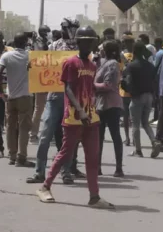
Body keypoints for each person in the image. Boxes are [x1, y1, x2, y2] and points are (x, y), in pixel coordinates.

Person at [36, 26, 113, 209]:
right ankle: (45, 187)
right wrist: (80, 110)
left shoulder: (93, 65)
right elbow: (68, 89)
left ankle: (94, 196)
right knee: (65, 153)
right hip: (74, 116)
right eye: (85, 41)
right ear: (78, 42)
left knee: (92, 157)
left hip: (91, 117)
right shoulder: (70, 63)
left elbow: (89, 88)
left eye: (91, 41)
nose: (88, 44)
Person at [27, 18, 84, 185]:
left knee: (68, 139)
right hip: (54, 96)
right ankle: (39, 172)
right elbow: (42, 63)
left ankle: (66, 172)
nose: (71, 31)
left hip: (73, 98)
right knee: (45, 136)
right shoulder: (54, 46)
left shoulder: (81, 48)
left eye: (74, 28)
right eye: (68, 28)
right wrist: (33, 65)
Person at [0, 33, 34, 167]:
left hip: (10, 96)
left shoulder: (6, 56)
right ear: (25, 42)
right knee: (24, 127)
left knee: (10, 127)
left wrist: (1, 92)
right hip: (25, 96)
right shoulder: (29, 55)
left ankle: (12, 156)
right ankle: (21, 157)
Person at [122, 41, 160, 158]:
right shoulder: (150, 66)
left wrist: (124, 85)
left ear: (134, 52)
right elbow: (155, 81)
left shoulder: (131, 66)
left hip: (137, 97)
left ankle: (138, 150)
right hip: (149, 96)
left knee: (135, 124)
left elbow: (128, 82)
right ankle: (154, 141)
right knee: (145, 122)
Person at [95, 40, 125, 177]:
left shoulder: (113, 64)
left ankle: (119, 167)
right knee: (98, 137)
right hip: (100, 104)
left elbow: (108, 85)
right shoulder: (102, 62)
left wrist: (92, 85)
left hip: (111, 104)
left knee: (115, 136)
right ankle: (97, 167)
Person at [30, 25, 53, 142]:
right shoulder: (39, 43)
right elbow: (41, 56)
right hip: (41, 78)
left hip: (49, 77)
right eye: (47, 32)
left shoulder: (46, 42)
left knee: (46, 108)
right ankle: (33, 134)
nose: (49, 34)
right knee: (39, 108)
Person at [120, 33, 135, 146]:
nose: (126, 44)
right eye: (125, 42)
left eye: (128, 42)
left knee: (134, 115)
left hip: (135, 88)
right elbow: (121, 70)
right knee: (126, 115)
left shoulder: (136, 54)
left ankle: (134, 138)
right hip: (124, 88)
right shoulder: (121, 55)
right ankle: (127, 137)